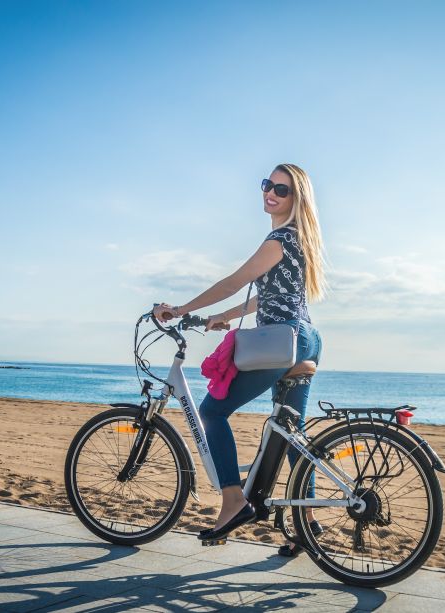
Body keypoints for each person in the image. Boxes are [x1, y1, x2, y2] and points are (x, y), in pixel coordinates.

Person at [153, 163, 325, 552]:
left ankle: (234, 501)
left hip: (283, 341)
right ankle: (307, 523)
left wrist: (180, 309)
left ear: (297, 198)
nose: (271, 194)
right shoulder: (300, 239)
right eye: (268, 185)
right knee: (291, 434)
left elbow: (234, 281)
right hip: (306, 338)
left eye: (281, 190)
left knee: (212, 412)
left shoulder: (279, 239)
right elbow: (268, 297)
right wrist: (222, 318)